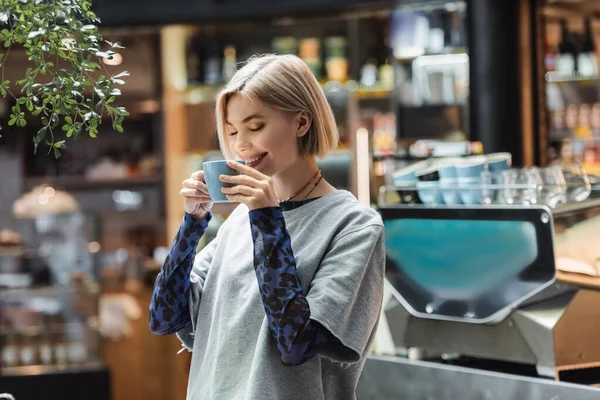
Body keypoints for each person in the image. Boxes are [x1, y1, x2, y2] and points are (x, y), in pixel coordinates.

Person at [149, 54, 385, 400]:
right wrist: (193, 224)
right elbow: (164, 318)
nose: (240, 144)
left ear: (302, 123)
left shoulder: (355, 226)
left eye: (255, 127)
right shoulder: (240, 223)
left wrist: (267, 217)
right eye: (231, 131)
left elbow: (295, 343)